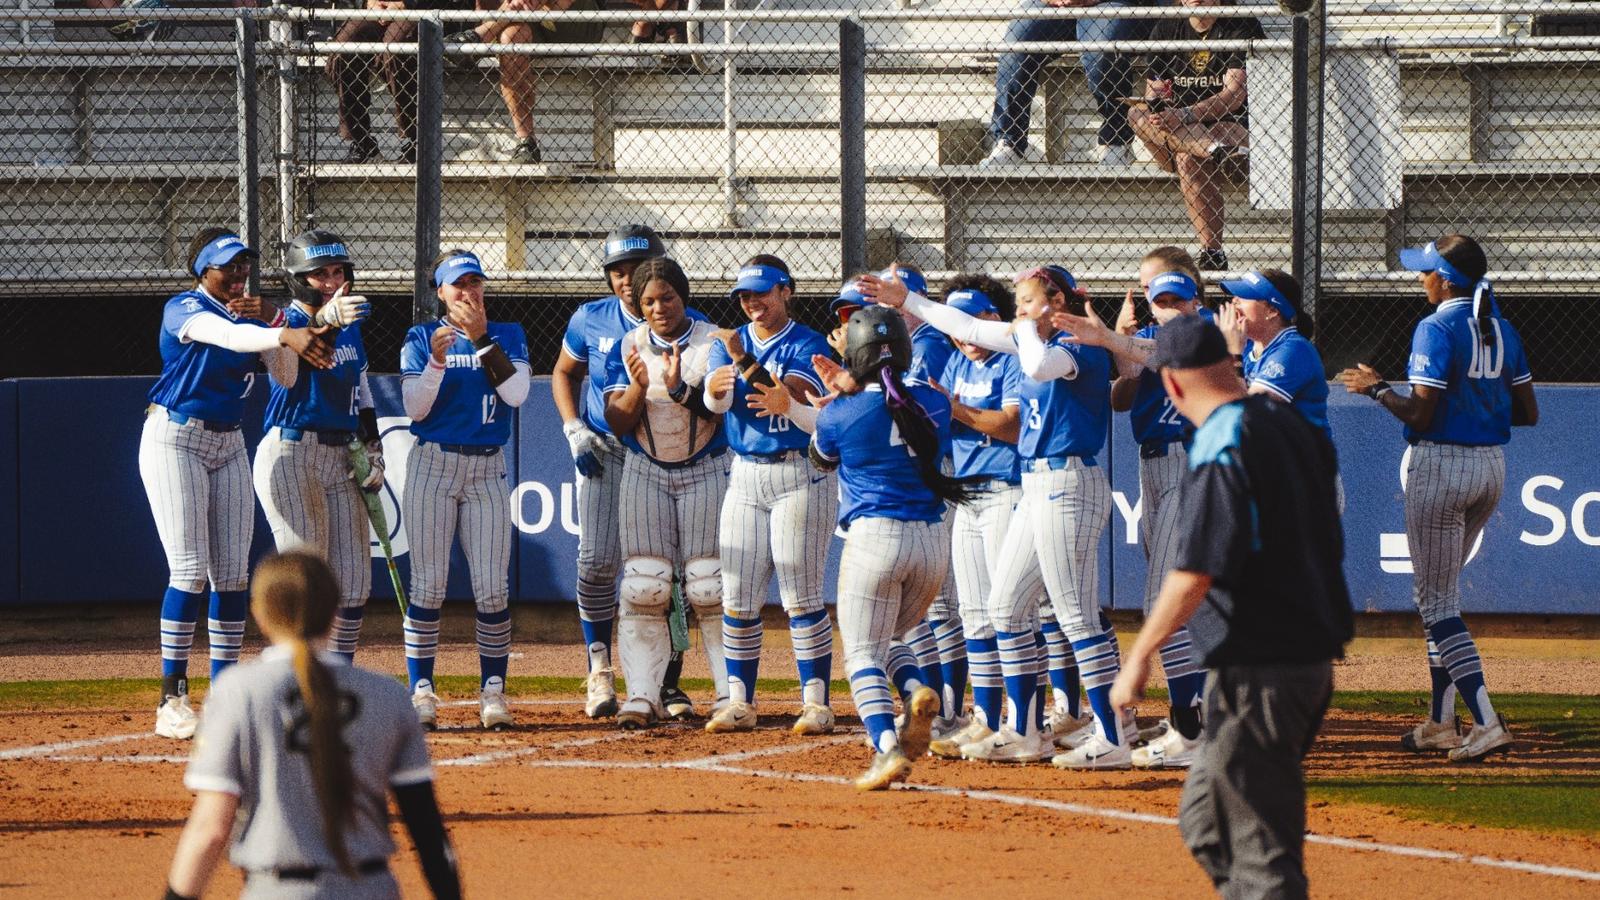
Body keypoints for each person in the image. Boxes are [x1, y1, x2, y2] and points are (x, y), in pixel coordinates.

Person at [1110, 314, 1351, 899]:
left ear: (1169, 385)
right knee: (1205, 820)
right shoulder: (1287, 423)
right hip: (1294, 653)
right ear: (1230, 361)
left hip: (1264, 660)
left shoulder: (1222, 440)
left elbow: (1195, 571)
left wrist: (1139, 655)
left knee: (1261, 854)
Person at [860, 264, 1124, 768]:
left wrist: (1023, 328)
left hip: (1069, 480)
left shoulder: (1076, 346)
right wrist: (907, 301)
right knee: (1002, 608)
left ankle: (1112, 734)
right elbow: (968, 328)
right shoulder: (1030, 338)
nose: (1018, 312)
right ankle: (1023, 732)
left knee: (1074, 614)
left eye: (1027, 301)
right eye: (1020, 303)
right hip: (1039, 482)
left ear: (1056, 304)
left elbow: (1041, 365)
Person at [1336, 234, 1537, 763]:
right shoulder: (1501, 326)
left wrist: (1378, 389)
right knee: (1442, 596)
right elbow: (1526, 411)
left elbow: (1420, 414)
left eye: (1427, 271)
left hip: (1442, 464)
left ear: (1445, 280)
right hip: (1491, 466)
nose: (1421, 278)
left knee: (1436, 603)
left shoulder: (1437, 325)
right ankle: (1441, 723)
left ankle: (1486, 720)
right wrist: (1476, 411)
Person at [164, 551, 461, 900]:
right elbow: (427, 830)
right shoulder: (389, 695)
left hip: (275, 891)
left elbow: (210, 830)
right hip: (372, 889)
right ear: (336, 612)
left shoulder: (237, 691)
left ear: (259, 614)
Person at [142, 228, 333, 740]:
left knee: (230, 574)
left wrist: (277, 324)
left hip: (228, 443)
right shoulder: (184, 307)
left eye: (244, 264)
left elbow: (288, 378)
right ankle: (172, 698)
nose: (239, 273)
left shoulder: (255, 315)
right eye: (228, 266)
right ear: (204, 271)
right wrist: (281, 332)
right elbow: (224, 336)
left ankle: (225, 697)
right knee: (188, 569)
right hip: (174, 437)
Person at [1049, 246, 1212, 768]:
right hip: (1154, 463)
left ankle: (1192, 728)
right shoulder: (1150, 338)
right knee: (1170, 601)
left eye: (1165, 291)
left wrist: (1114, 340)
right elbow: (1121, 399)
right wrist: (1121, 352)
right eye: (1148, 290)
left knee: (1165, 603)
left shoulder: (1201, 329)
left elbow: (1170, 353)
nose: (1153, 299)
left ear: (1191, 291)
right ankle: (1192, 717)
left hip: (1191, 462)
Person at [797, 304, 970, 789]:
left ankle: (885, 749)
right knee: (889, 639)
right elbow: (900, 402)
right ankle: (915, 689)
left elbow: (820, 456)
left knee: (861, 657)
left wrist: (840, 393)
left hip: (876, 539)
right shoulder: (934, 402)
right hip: (932, 545)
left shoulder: (841, 414)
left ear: (855, 355)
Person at [553, 225, 700, 720]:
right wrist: (574, 428)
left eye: (635, 269)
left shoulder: (687, 322)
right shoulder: (590, 318)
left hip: (660, 454)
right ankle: (598, 668)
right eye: (617, 271)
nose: (626, 280)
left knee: (669, 571)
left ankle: (669, 681)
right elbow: (563, 373)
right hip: (605, 448)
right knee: (595, 561)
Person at [701, 256, 839, 736]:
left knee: (800, 592)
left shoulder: (808, 342)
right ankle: (740, 700)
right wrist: (715, 390)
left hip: (797, 471)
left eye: (762, 292)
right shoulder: (731, 342)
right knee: (737, 592)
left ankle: (816, 703)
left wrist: (741, 365)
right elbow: (717, 403)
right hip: (745, 472)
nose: (752, 302)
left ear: (786, 292)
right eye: (744, 296)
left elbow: (797, 401)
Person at [399, 250, 531, 730]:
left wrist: (479, 339)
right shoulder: (420, 337)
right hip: (433, 463)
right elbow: (415, 408)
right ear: (440, 291)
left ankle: (492, 691)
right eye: (458, 284)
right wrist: (436, 362)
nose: (468, 291)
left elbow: (516, 395)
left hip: (486, 466)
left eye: (474, 282)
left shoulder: (507, 335)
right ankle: (422, 691)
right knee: (428, 585)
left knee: (492, 588)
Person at [601, 256, 731, 729]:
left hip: (705, 468)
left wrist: (677, 387)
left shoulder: (711, 341)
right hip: (645, 468)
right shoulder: (629, 344)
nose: (659, 308)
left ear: (684, 296)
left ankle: (727, 694)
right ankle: (641, 696)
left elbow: (718, 411)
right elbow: (617, 420)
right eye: (650, 301)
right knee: (644, 584)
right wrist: (639, 387)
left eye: (668, 298)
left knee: (709, 585)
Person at [253, 230, 382, 662]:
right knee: (306, 580)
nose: (331, 280)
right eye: (318, 274)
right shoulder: (280, 322)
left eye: (337, 271)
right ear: (297, 279)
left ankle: (339, 675)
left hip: (341, 451)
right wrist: (328, 320)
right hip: (293, 450)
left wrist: (374, 446)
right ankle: (298, 677)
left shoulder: (348, 322)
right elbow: (292, 372)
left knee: (354, 579)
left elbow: (359, 387)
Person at [916, 278, 1030, 759]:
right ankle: (983, 718)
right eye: (957, 325)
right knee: (974, 614)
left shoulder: (1011, 359)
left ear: (994, 320)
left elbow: (1009, 425)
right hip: (968, 493)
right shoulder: (960, 361)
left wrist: (954, 408)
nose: (964, 336)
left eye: (974, 322)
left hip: (1006, 488)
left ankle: (1024, 717)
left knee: (1012, 611)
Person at [1129, 0, 1264, 271]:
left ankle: (1212, 253)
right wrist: (1160, 105)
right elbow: (1153, 91)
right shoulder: (1166, 27)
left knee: (1189, 157)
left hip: (1228, 129)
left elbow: (1233, 96)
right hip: (1179, 135)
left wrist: (1185, 114)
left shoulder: (1239, 24)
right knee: (1136, 115)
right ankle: (1215, 151)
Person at [981, 0, 1150, 168]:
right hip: (1054, 5)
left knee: (1101, 48)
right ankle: (1009, 143)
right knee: (1016, 45)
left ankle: (1118, 142)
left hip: (1109, 3)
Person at [444, 0, 603, 163]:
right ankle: (527, 143)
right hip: (524, 18)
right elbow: (484, 9)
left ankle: (477, 36)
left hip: (575, 19)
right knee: (511, 37)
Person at [326, 0, 456, 164]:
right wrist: (368, 2)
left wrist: (406, 3)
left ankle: (418, 140)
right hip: (374, 8)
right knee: (342, 51)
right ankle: (362, 143)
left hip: (420, 8)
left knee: (395, 49)